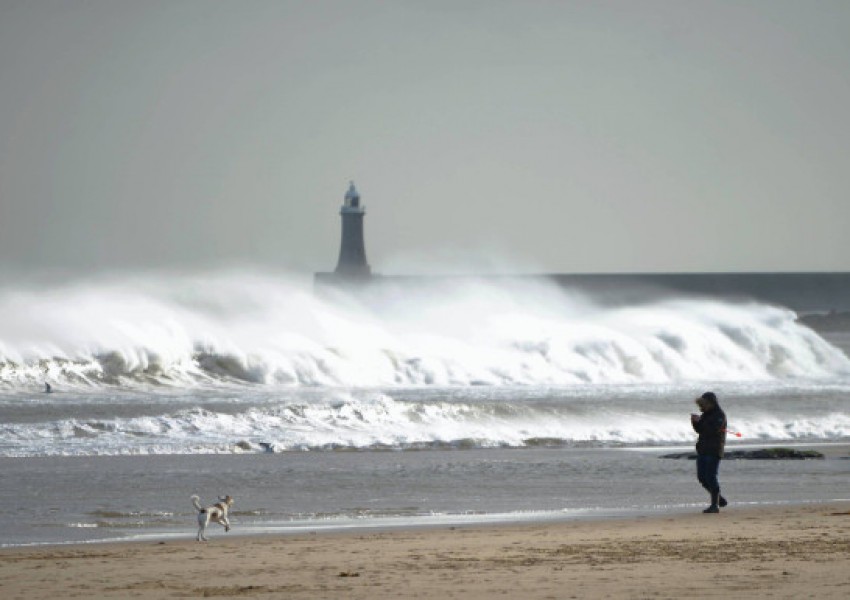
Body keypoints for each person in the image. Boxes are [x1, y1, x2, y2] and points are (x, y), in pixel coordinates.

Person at [691, 391, 728, 513]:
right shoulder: (706, 414)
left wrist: (700, 422)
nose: (702, 407)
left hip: (714, 449)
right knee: (702, 477)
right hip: (702, 449)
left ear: (711, 403)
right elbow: (700, 430)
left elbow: (713, 430)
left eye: (704, 404)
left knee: (711, 477)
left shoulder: (720, 415)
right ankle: (718, 499)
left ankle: (715, 505)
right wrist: (695, 423)